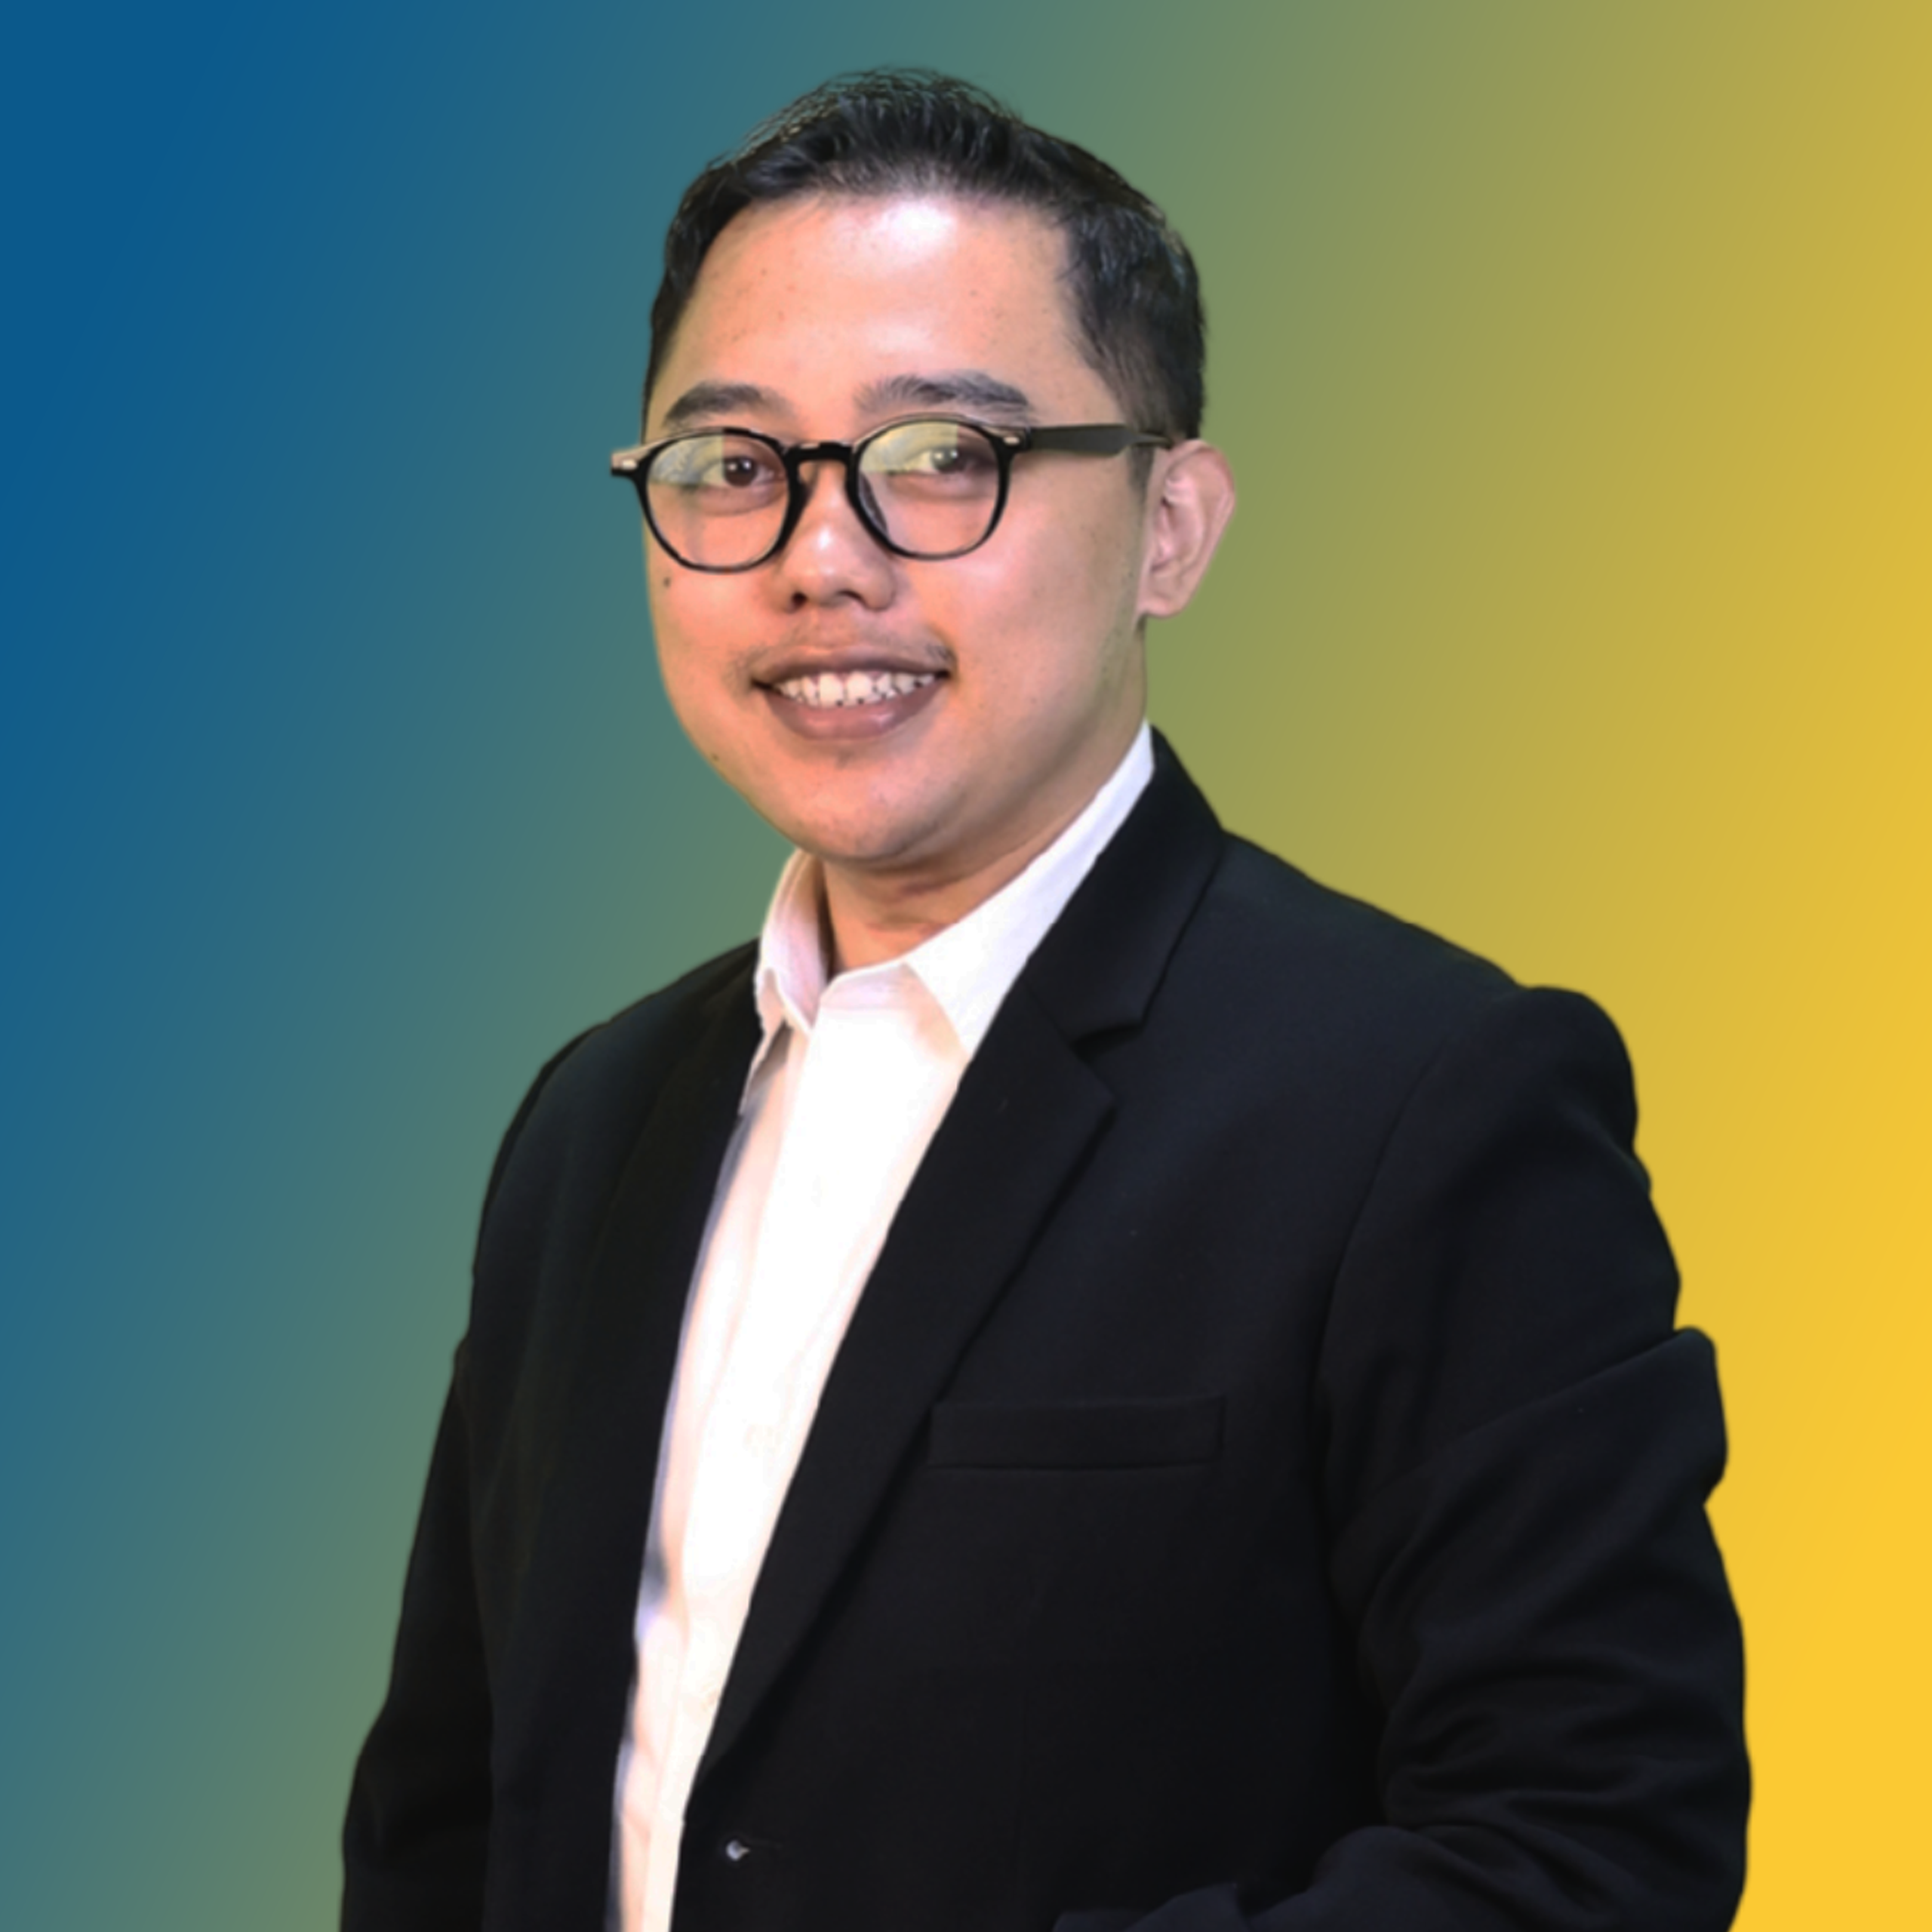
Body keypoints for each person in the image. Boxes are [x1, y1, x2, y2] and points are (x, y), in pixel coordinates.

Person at [342, 69, 1748, 1932]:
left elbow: (1588, 1846)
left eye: (940, 454)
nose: (819, 558)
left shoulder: (1426, 1099)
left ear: (1171, 524)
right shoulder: (589, 1122)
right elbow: (444, 1823)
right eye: (732, 465)